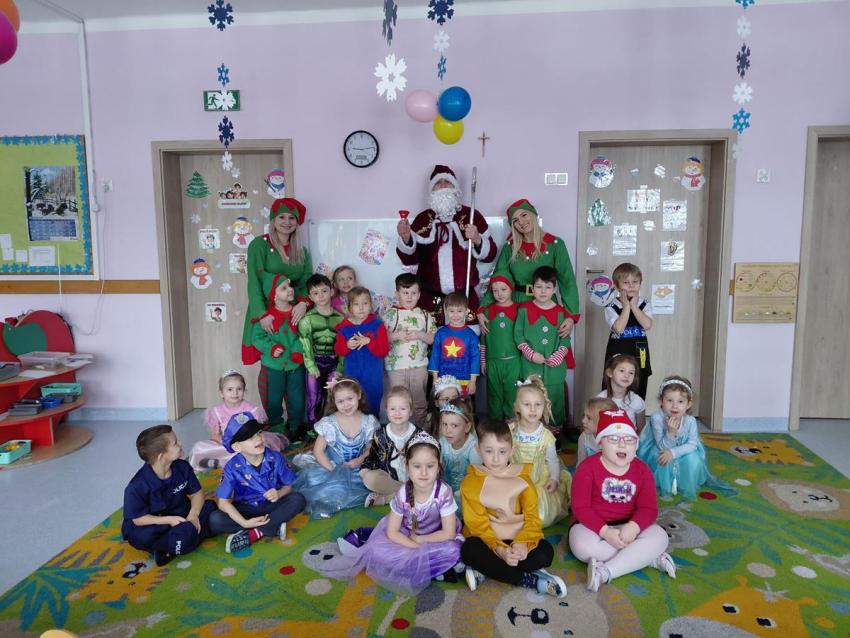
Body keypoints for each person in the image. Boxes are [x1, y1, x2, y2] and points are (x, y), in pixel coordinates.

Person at [323, 432, 464, 595]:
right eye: (417, 466)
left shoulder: (444, 492)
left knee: (454, 549)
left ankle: (422, 568)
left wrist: (421, 541)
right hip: (406, 536)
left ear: (439, 466)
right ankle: (436, 570)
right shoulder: (403, 493)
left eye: (430, 466)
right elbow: (392, 532)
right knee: (377, 551)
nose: (424, 473)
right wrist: (416, 547)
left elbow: (448, 533)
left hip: (435, 537)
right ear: (407, 466)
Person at [569, 409, 676, 592]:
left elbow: (648, 508)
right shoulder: (587, 468)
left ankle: (607, 571)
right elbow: (581, 507)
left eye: (629, 439)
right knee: (581, 546)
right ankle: (645, 557)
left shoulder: (643, 470)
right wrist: (605, 531)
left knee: (660, 536)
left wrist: (633, 527)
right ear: (600, 443)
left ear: (636, 445)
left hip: (629, 526)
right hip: (593, 527)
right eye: (613, 439)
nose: (622, 444)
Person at [460, 419, 567, 598]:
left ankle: (486, 570)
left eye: (502, 452)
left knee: (545, 553)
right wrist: (500, 550)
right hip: (489, 541)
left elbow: (532, 518)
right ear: (478, 450)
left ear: (512, 450)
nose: (496, 458)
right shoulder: (470, 483)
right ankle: (527, 579)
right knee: (468, 550)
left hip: (517, 539)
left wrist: (523, 544)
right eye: (488, 451)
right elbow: (477, 525)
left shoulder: (523, 479)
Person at [396, 165, 497, 314]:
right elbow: (409, 260)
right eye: (438, 183)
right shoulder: (422, 219)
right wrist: (406, 239)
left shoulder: (471, 216)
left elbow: (490, 256)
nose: (443, 186)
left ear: (455, 188)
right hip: (429, 300)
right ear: (431, 190)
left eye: (447, 182)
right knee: (429, 329)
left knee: (467, 330)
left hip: (465, 298)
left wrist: (477, 239)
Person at [478, 199, 579, 339]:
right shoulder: (510, 247)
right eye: (515, 220)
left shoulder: (555, 244)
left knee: (545, 347)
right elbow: (498, 279)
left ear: (533, 214)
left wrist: (570, 315)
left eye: (524, 215)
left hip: (546, 304)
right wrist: (482, 308)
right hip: (516, 305)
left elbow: (567, 281)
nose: (521, 222)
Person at [208, 413, 306, 552]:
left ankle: (255, 533)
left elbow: (289, 486)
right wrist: (244, 522)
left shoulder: (276, 457)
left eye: (259, 433)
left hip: (271, 505)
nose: (258, 439)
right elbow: (223, 502)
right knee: (215, 519)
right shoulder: (231, 467)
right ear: (237, 447)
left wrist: (279, 493)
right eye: (250, 437)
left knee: (298, 499)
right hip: (246, 509)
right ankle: (273, 524)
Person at [122, 425, 217, 566]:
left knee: (210, 507)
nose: (180, 443)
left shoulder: (182, 467)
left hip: (181, 514)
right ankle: (182, 540)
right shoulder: (136, 486)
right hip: (155, 523)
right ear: (161, 456)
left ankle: (172, 545)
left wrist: (194, 514)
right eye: (175, 443)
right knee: (141, 536)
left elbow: (197, 493)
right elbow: (138, 519)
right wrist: (169, 520)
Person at [292, 377, 380, 518]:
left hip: (357, 466)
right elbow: (318, 451)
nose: (346, 405)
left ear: (359, 395)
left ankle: (340, 496)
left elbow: (370, 449)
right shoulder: (329, 423)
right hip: (331, 466)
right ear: (334, 402)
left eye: (350, 399)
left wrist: (360, 460)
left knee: (373, 482)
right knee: (317, 482)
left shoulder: (368, 421)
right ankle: (330, 500)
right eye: (340, 401)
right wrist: (334, 472)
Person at [637, 376, 736, 500]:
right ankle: (665, 484)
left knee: (694, 459)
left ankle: (683, 482)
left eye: (680, 401)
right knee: (662, 459)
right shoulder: (656, 418)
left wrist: (673, 452)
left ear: (688, 404)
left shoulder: (690, 421)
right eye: (669, 400)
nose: (674, 406)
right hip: (661, 447)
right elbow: (661, 446)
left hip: (683, 449)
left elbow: (692, 444)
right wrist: (670, 433)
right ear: (661, 401)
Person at [242, 197, 312, 365]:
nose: (287, 222)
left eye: (292, 218)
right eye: (282, 217)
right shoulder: (259, 245)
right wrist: (262, 314)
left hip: (293, 312)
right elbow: (254, 281)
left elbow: (307, 280)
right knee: (272, 359)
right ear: (273, 220)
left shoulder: (302, 251)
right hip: (267, 311)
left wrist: (303, 303)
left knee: (294, 357)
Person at [514, 266, 579, 429]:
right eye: (539, 287)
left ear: (554, 289)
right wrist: (530, 354)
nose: (543, 291)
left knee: (555, 401)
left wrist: (559, 355)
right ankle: (531, 433)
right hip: (531, 368)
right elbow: (518, 336)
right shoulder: (524, 309)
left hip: (554, 370)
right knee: (531, 401)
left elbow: (565, 338)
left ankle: (556, 435)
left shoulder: (561, 312)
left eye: (548, 287)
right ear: (532, 288)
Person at [189, 370, 283, 470]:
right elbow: (215, 436)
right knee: (199, 448)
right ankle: (226, 460)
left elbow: (257, 433)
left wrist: (245, 445)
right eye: (230, 389)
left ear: (244, 390)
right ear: (221, 393)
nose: (235, 393)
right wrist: (225, 446)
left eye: (239, 389)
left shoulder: (252, 410)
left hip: (248, 443)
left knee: (262, 447)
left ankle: (234, 461)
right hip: (227, 444)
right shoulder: (216, 411)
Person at [509, 376, 571, 527]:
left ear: (544, 406)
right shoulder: (510, 431)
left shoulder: (546, 436)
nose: (533, 409)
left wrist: (554, 478)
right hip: (515, 478)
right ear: (517, 407)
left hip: (539, 480)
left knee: (539, 517)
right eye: (527, 404)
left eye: (538, 404)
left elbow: (552, 460)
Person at [252, 274, 306, 442]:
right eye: (284, 288)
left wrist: (298, 350)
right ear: (273, 295)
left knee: (297, 399)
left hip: (295, 365)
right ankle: (276, 428)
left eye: (290, 286)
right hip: (273, 366)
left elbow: (304, 335)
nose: (290, 290)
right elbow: (257, 338)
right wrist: (271, 348)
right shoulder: (267, 317)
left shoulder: (298, 312)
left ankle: (295, 427)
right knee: (273, 400)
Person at [383, 273, 437, 428]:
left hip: (419, 366)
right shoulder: (389, 314)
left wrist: (419, 335)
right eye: (405, 293)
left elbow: (433, 339)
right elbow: (380, 339)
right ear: (397, 294)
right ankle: (397, 431)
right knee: (397, 402)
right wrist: (396, 336)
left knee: (419, 402)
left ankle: (421, 431)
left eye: (413, 293)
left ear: (419, 294)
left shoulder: (425, 315)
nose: (409, 297)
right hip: (396, 368)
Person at [360, 386, 422, 508]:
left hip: (414, 479)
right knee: (368, 478)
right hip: (390, 480)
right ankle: (410, 493)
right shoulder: (380, 435)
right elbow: (373, 456)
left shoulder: (419, 435)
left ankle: (387, 498)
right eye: (393, 409)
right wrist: (365, 468)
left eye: (402, 409)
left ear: (410, 411)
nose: (397, 413)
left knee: (430, 481)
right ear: (386, 410)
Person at [334, 287, 391, 417]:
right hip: (352, 376)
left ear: (370, 305)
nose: (361, 308)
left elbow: (384, 350)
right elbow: (338, 350)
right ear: (349, 307)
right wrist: (347, 345)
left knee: (372, 406)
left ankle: (373, 429)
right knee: (352, 405)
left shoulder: (377, 325)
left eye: (365, 303)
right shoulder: (344, 327)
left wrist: (369, 341)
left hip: (373, 377)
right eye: (356, 304)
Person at [298, 274, 345, 425]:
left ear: (332, 291)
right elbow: (305, 344)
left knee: (333, 396)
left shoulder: (341, 318)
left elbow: (343, 346)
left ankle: (332, 428)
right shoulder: (307, 319)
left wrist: (340, 367)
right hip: (315, 362)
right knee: (314, 397)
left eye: (324, 291)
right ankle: (313, 429)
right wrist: (311, 365)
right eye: (316, 293)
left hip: (333, 363)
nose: (321, 296)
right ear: (310, 297)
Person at [604, 263, 653, 399]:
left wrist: (634, 306)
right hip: (618, 352)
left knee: (639, 384)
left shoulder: (644, 304)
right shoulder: (611, 306)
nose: (631, 286)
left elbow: (647, 325)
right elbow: (619, 328)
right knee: (615, 388)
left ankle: (638, 412)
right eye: (626, 282)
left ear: (640, 284)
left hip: (639, 352)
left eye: (635, 282)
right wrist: (626, 306)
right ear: (616, 286)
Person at [479, 275, 521, 420]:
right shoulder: (487, 311)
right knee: (494, 397)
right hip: (493, 362)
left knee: (512, 396)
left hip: (513, 362)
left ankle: (511, 426)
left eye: (503, 289)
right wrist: (483, 362)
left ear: (511, 289)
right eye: (495, 290)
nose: (499, 294)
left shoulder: (519, 309)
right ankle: (495, 427)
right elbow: (483, 340)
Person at [429, 293, 480, 396]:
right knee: (445, 404)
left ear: (466, 311)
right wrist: (435, 379)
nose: (455, 315)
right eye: (451, 311)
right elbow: (435, 356)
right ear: (445, 311)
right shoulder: (440, 333)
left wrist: (473, 381)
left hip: (464, 380)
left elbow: (475, 358)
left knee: (462, 404)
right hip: (444, 380)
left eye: (459, 311)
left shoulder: (471, 335)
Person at [438, 397, 481, 502]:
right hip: (445, 492)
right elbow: (436, 468)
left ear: (467, 427)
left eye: (454, 425)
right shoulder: (442, 443)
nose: (448, 430)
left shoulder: (473, 447)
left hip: (467, 493)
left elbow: (476, 476)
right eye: (445, 424)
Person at [597, 354, 646, 432]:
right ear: (610, 373)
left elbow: (642, 431)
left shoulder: (637, 401)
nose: (627, 376)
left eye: (631, 373)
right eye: (622, 371)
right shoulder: (600, 399)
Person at [576, 396, 618, 466]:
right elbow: (581, 464)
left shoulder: (617, 441)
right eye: (584, 416)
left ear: (604, 422)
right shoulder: (584, 438)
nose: (583, 420)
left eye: (589, 418)